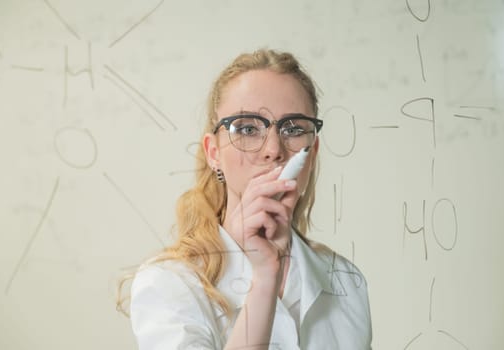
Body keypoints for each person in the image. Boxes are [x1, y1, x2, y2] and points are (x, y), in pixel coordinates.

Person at [121, 48, 372, 349]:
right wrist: (265, 278)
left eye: (293, 129)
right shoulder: (170, 284)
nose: (273, 149)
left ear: (312, 152)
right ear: (214, 153)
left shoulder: (345, 280)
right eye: (249, 129)